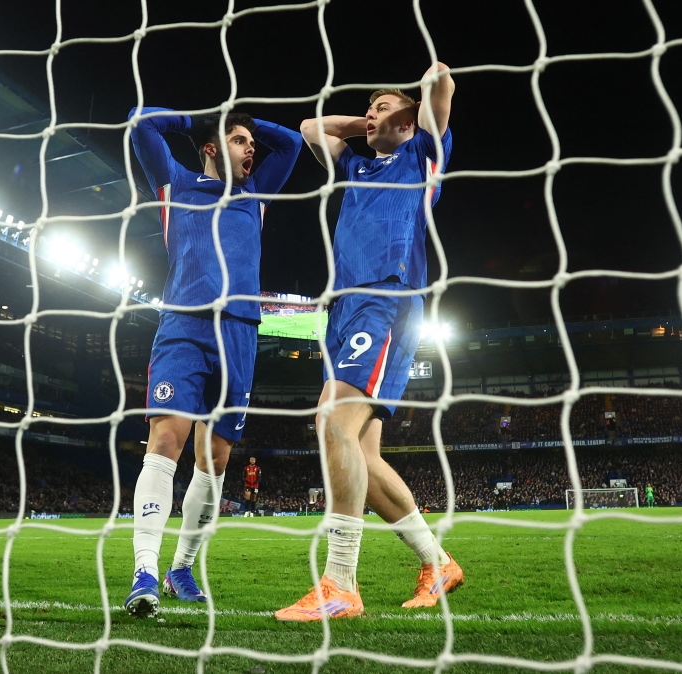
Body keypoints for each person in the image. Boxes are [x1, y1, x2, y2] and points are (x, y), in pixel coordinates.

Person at [275, 63, 460, 622]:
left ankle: (339, 583)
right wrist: (366, 122)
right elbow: (311, 128)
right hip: (345, 304)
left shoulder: (423, 151)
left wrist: (405, 105)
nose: (373, 114)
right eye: (369, 107)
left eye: (383, 108)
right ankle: (437, 562)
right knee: (363, 452)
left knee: (332, 419)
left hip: (388, 294)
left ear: (406, 123)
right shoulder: (355, 161)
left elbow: (442, 83)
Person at [123, 105, 301, 616]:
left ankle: (182, 566)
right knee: (164, 441)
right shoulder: (174, 181)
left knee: (216, 458)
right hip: (184, 325)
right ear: (210, 148)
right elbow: (140, 122)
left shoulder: (255, 196)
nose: (251, 150)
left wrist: (245, 122)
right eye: (240, 141)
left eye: (250, 143)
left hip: (241, 332)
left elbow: (288, 143)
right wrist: (202, 118)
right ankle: (145, 571)